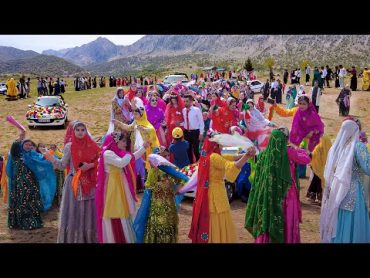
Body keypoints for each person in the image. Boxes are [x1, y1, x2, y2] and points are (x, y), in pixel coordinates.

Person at [245, 127, 311, 243]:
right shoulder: (289, 152)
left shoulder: (264, 154)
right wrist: (297, 149)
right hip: (286, 193)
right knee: (286, 219)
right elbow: (306, 159)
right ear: (286, 139)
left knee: (268, 218)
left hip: (268, 194)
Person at [188, 132, 256, 243]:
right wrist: (247, 156)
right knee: (218, 219)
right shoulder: (214, 157)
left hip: (211, 194)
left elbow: (233, 154)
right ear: (216, 144)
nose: (224, 144)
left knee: (213, 220)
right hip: (216, 195)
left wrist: (245, 152)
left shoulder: (212, 153)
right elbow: (232, 167)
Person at [43, 121, 101, 243]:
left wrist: (90, 165)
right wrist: (50, 157)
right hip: (73, 184)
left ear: (86, 131)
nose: (80, 132)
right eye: (77, 130)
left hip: (89, 184)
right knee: (74, 212)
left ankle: (89, 238)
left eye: (82, 130)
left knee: (88, 212)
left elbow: (100, 161)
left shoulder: (92, 145)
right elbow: (62, 165)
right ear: (73, 132)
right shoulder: (69, 146)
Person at [320, 118, 370, 243]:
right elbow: (368, 167)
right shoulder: (358, 146)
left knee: (339, 219)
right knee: (353, 222)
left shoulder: (337, 146)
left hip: (337, 191)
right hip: (353, 192)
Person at [95, 132, 148, 243]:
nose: (126, 143)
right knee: (115, 211)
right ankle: (113, 239)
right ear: (115, 141)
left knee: (124, 211)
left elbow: (131, 157)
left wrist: (143, 148)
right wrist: (129, 154)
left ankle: (124, 237)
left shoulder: (118, 152)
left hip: (119, 186)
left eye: (126, 141)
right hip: (112, 188)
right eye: (123, 141)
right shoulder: (107, 153)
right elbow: (122, 163)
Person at [7, 130, 54, 230]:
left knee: (33, 202)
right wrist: (21, 137)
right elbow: (14, 146)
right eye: (26, 144)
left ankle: (33, 221)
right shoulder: (17, 155)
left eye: (30, 145)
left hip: (32, 183)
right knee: (22, 202)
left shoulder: (32, 155)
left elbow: (43, 162)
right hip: (20, 184)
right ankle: (22, 222)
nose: (28, 146)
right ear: (21, 145)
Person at [306, 136, 332, 205]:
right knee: (318, 180)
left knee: (317, 180)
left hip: (319, 166)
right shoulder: (326, 143)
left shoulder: (321, 143)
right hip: (322, 166)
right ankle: (318, 198)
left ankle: (315, 197)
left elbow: (313, 154)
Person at [182, 95, 204, 163]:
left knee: (196, 150)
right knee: (188, 149)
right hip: (186, 132)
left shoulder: (196, 110)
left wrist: (201, 133)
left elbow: (201, 122)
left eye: (187, 101)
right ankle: (191, 164)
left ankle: (198, 164)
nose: (185, 103)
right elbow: (185, 122)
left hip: (195, 132)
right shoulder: (183, 110)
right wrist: (179, 124)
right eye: (184, 101)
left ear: (191, 102)